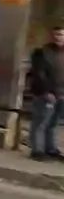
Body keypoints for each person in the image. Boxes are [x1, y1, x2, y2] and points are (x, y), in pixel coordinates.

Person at [27, 26, 64, 161]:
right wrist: (45, 91)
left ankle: (51, 148)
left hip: (62, 94)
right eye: (55, 34)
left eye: (60, 34)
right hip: (45, 94)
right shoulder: (41, 52)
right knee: (41, 121)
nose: (58, 37)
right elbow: (39, 73)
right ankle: (38, 150)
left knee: (55, 123)